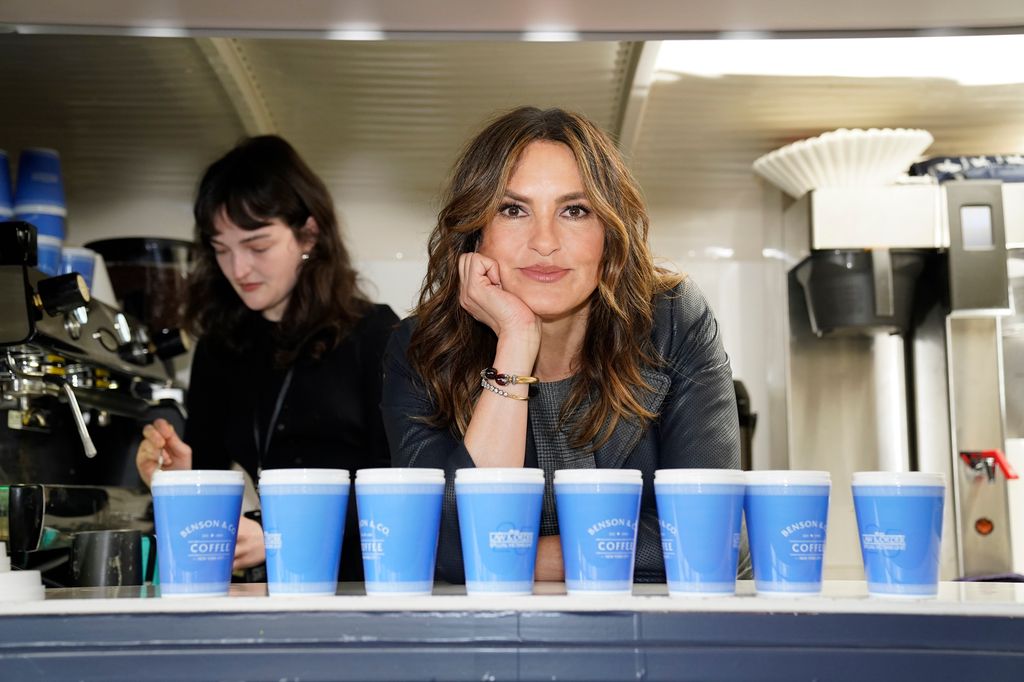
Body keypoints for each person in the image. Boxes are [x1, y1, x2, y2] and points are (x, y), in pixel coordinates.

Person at [381, 106, 742, 584]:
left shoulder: (672, 318)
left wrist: (513, 557)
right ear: (476, 234)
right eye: (513, 210)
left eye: (574, 211)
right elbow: (439, 541)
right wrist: (515, 341)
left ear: (609, 233)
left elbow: (713, 534)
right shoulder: (420, 348)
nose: (545, 241)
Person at [135, 135, 398, 580]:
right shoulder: (220, 348)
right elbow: (210, 508)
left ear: (308, 235)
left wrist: (278, 535)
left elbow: (401, 496)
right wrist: (180, 481)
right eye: (221, 250)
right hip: (271, 588)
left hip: (365, 586)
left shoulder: (377, 335)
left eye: (257, 246)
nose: (239, 269)